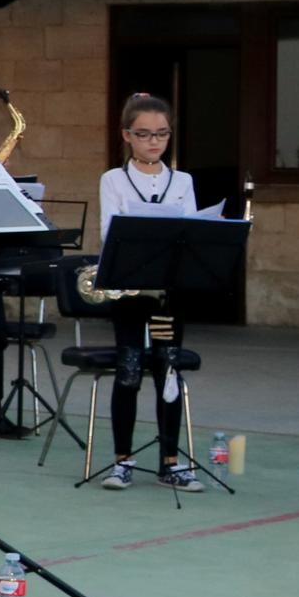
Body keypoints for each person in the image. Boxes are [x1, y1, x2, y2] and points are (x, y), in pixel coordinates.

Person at [92, 92, 200, 493]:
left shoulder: (182, 181)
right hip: (131, 293)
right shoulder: (114, 180)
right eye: (144, 134)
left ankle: (170, 461)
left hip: (168, 295)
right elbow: (108, 233)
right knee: (129, 371)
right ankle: (123, 460)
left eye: (161, 134)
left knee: (168, 371)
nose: (153, 142)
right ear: (127, 136)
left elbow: (191, 233)